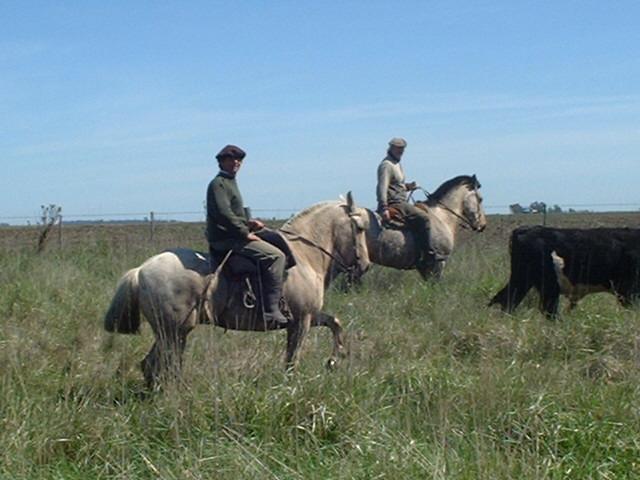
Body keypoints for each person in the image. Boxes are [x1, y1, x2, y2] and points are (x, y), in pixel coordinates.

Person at [206, 144, 288, 325]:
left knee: (278, 239)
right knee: (276, 256)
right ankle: (270, 311)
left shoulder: (230, 182)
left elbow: (232, 214)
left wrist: (249, 223)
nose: (236, 163)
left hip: (234, 233)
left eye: (239, 160)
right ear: (222, 162)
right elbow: (223, 213)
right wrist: (245, 233)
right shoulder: (218, 184)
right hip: (226, 239)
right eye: (231, 159)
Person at [376, 137, 435, 272]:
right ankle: (428, 255)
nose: (401, 151)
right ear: (391, 148)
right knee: (424, 218)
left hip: (400, 200)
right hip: (395, 203)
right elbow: (382, 187)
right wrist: (384, 206)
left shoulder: (396, 164)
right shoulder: (387, 165)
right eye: (398, 148)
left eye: (402, 148)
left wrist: (408, 187)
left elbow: (396, 185)